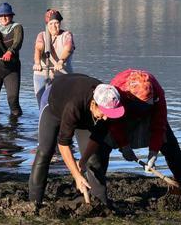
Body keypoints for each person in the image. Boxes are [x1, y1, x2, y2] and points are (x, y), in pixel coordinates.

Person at [28, 74, 124, 208]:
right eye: (104, 113)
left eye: (110, 114)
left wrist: (83, 161)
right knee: (45, 151)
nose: (107, 119)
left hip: (83, 112)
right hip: (54, 103)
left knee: (94, 159)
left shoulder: (108, 107)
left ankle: (101, 204)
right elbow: (63, 144)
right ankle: (34, 202)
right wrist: (77, 176)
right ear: (93, 104)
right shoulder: (74, 105)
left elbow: (96, 138)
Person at [106, 69, 181, 196]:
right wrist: (124, 146)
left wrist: (153, 153)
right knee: (102, 142)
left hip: (148, 110)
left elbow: (159, 124)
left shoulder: (157, 93)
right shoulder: (117, 91)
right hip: (123, 111)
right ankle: (98, 188)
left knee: (170, 145)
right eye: (144, 105)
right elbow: (115, 123)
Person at [32, 9, 75, 108]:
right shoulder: (41, 35)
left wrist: (60, 61)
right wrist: (37, 63)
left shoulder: (67, 35)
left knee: (62, 103)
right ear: (47, 25)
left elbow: (68, 48)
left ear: (60, 24)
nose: (54, 26)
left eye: (56, 23)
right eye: (51, 24)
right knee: (42, 102)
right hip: (42, 73)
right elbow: (38, 48)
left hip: (62, 74)